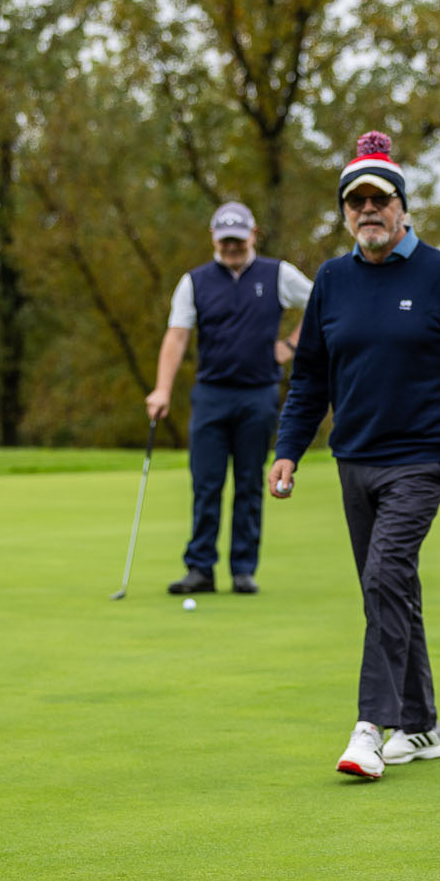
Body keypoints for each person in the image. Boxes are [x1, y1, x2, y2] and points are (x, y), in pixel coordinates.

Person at [271, 132, 440, 781]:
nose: (368, 210)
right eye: (357, 201)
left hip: (421, 461)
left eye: (380, 198)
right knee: (390, 587)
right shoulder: (332, 280)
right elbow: (310, 378)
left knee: (384, 576)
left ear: (402, 205)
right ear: (346, 212)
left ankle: (370, 728)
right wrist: (288, 449)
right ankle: (422, 725)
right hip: (354, 460)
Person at [146, 201, 310, 596]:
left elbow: (321, 304)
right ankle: (200, 568)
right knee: (206, 483)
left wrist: (290, 345)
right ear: (213, 239)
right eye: (225, 241)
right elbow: (177, 336)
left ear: (253, 235)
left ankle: (243, 570)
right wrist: (162, 388)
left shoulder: (278, 274)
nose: (232, 247)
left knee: (250, 483)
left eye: (238, 239)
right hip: (211, 394)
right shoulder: (195, 281)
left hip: (259, 393)